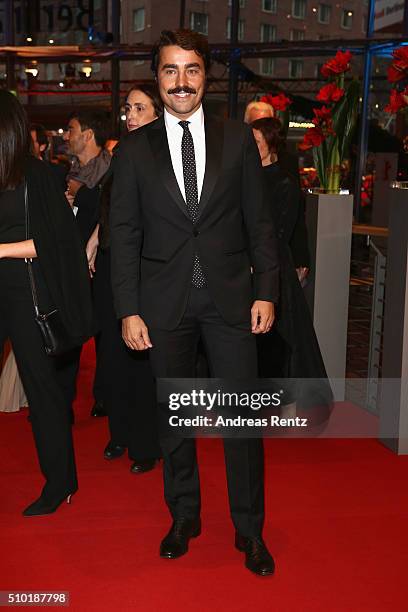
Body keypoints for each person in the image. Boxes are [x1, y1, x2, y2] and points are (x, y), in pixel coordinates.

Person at [110, 29, 279, 576]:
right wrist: (127, 309)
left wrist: (266, 292)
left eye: (192, 70)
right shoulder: (134, 150)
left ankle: (249, 530)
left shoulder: (238, 139)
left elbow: (261, 227)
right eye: (169, 70)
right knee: (174, 421)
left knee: (242, 424)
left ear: (206, 77)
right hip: (164, 306)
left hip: (232, 302)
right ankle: (184, 515)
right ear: (157, 78)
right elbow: (125, 234)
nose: (181, 82)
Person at [0, 90, 92, 516]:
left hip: (24, 294)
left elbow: (57, 244)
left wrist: (0, 249)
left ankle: (61, 481)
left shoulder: (36, 177)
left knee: (42, 392)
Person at [86, 84, 162, 473]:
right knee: (112, 356)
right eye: (128, 108)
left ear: (156, 113)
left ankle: (147, 444)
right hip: (112, 263)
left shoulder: (160, 155)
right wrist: (96, 240)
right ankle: (120, 433)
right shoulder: (122, 154)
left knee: (142, 359)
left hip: (145, 268)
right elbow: (112, 205)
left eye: (138, 108)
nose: (129, 115)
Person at [251, 117, 330, 391]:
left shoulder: (283, 182)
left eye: (257, 141)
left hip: (271, 267)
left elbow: (284, 231)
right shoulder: (242, 177)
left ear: (271, 144)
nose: (251, 146)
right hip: (244, 267)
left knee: (277, 335)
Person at [60, 110, 111, 416]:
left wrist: (81, 198)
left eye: (72, 129)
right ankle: (62, 401)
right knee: (70, 333)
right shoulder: (71, 173)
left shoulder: (110, 171)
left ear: (89, 135)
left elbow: (106, 213)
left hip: (100, 262)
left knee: (106, 334)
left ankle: (104, 396)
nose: (67, 135)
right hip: (72, 264)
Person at [244, 100, 310, 284]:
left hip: (270, 260)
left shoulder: (285, 173)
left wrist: (301, 257)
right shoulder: (239, 166)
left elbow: (292, 219)